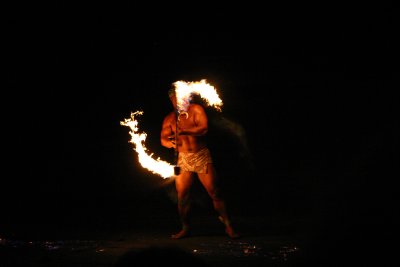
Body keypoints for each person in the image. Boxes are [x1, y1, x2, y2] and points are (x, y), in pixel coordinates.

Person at [160, 85, 240, 239]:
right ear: (171, 100)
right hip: (183, 159)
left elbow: (203, 129)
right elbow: (163, 139)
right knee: (182, 195)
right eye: (174, 100)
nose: (178, 102)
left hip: (201, 155)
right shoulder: (169, 118)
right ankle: (185, 227)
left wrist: (184, 131)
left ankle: (229, 226)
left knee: (215, 191)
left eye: (180, 98)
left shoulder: (196, 109)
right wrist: (171, 143)